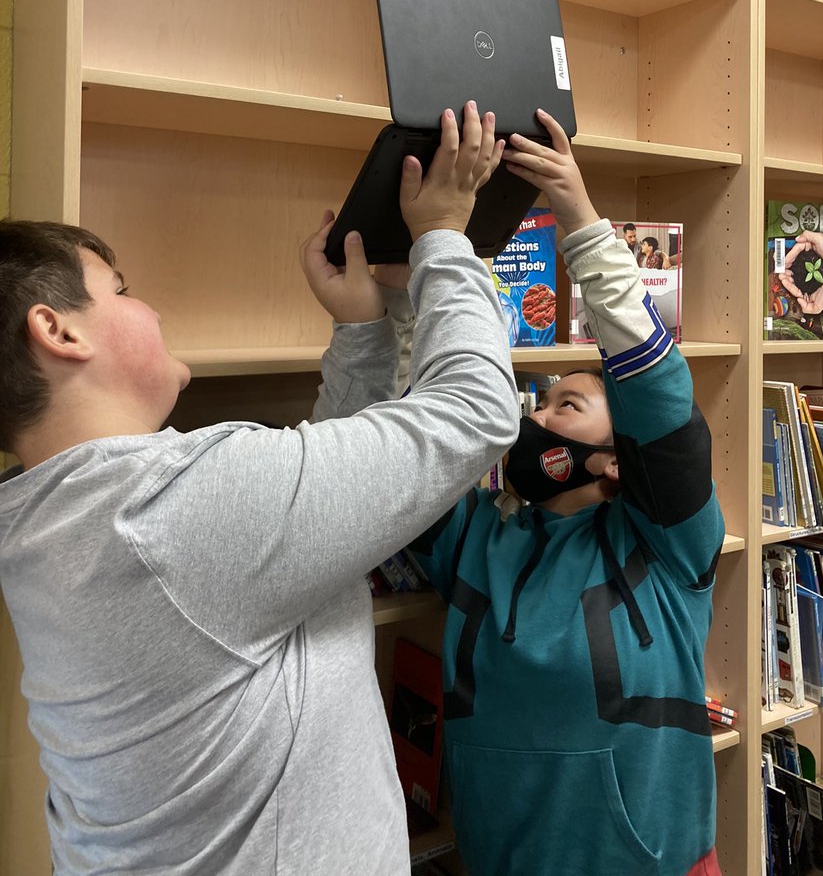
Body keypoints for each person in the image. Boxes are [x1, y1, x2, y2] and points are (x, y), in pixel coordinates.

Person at [0, 103, 520, 876]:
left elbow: (312, 532)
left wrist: (362, 334)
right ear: (61, 331)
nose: (152, 306)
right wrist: (446, 238)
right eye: (121, 289)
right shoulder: (167, 511)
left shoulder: (51, 516)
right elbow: (476, 415)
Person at [406, 109, 725, 876]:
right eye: (538, 402)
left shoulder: (668, 547)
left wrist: (581, 223)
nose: (536, 420)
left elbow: (658, 389)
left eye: (567, 407)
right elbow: (405, 440)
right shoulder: (475, 536)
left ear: (619, 462)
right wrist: (393, 297)